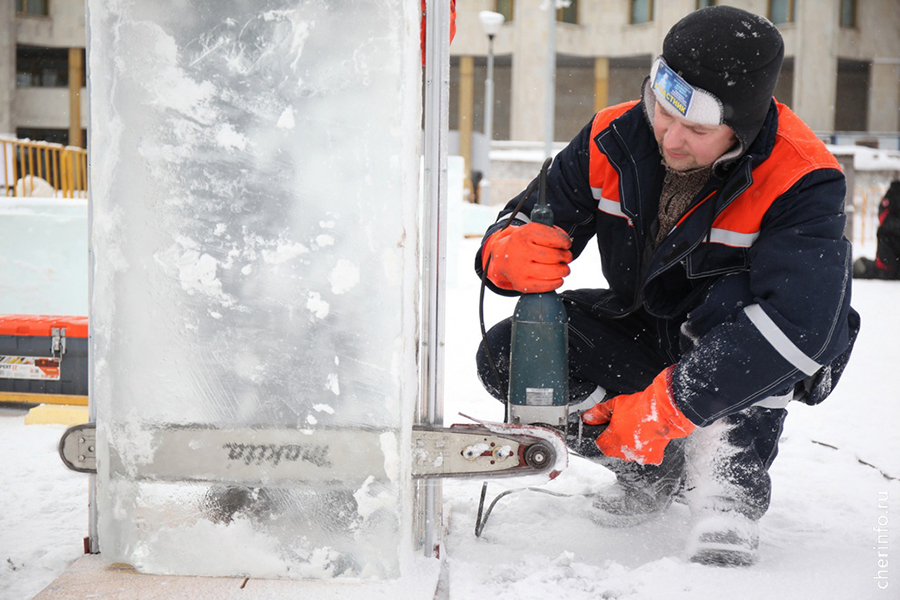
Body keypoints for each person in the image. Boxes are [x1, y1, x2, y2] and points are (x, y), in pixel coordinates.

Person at [474, 6, 859, 567]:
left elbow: (803, 326)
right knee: (512, 353)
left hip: (735, 342)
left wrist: (669, 405)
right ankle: (646, 469)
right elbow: (528, 216)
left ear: (744, 127)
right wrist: (506, 251)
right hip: (647, 323)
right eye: (663, 112)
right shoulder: (616, 133)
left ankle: (727, 485)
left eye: (698, 130)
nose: (671, 138)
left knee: (736, 313)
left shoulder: (800, 176)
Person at [853, 180, 900, 279]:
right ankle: (860, 266)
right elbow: (884, 217)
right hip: (890, 248)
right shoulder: (895, 191)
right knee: (886, 274)